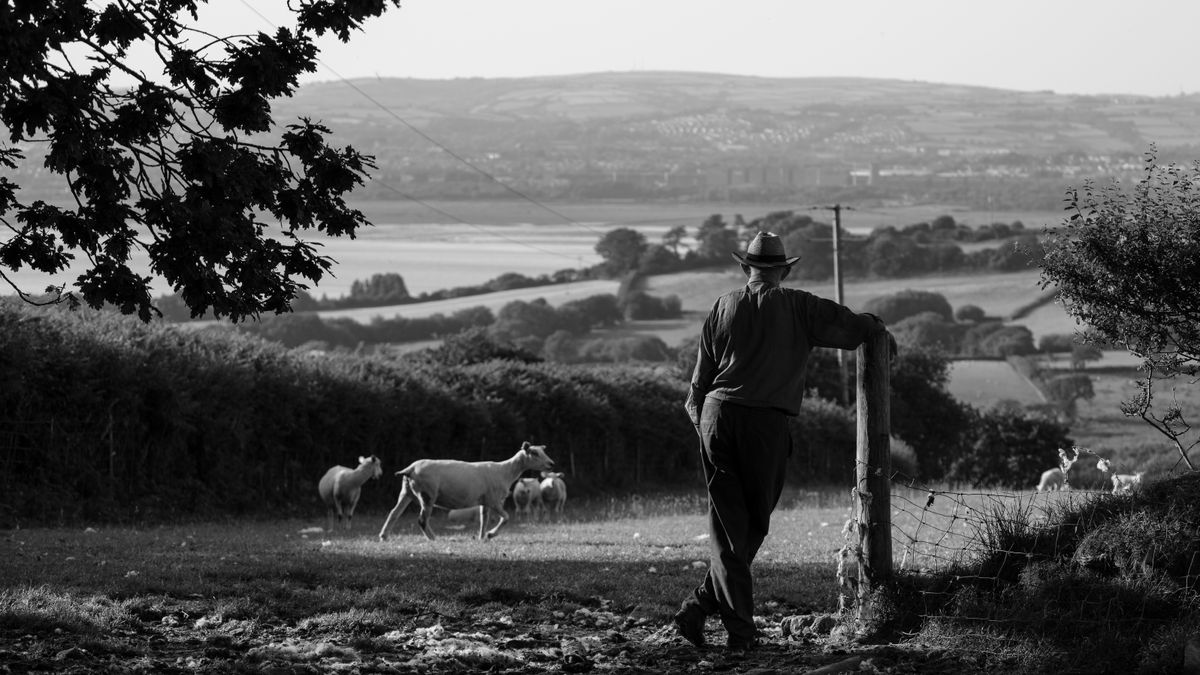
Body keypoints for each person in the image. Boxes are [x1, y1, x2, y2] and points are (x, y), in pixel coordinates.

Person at [673, 231, 890, 651]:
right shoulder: (799, 305)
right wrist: (878, 329)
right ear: (785, 270)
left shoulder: (722, 305)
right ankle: (740, 633)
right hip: (766, 425)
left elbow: (697, 386)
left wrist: (705, 431)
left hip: (716, 417)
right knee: (749, 527)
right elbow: (853, 327)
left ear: (744, 268)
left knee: (732, 530)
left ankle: (698, 609)